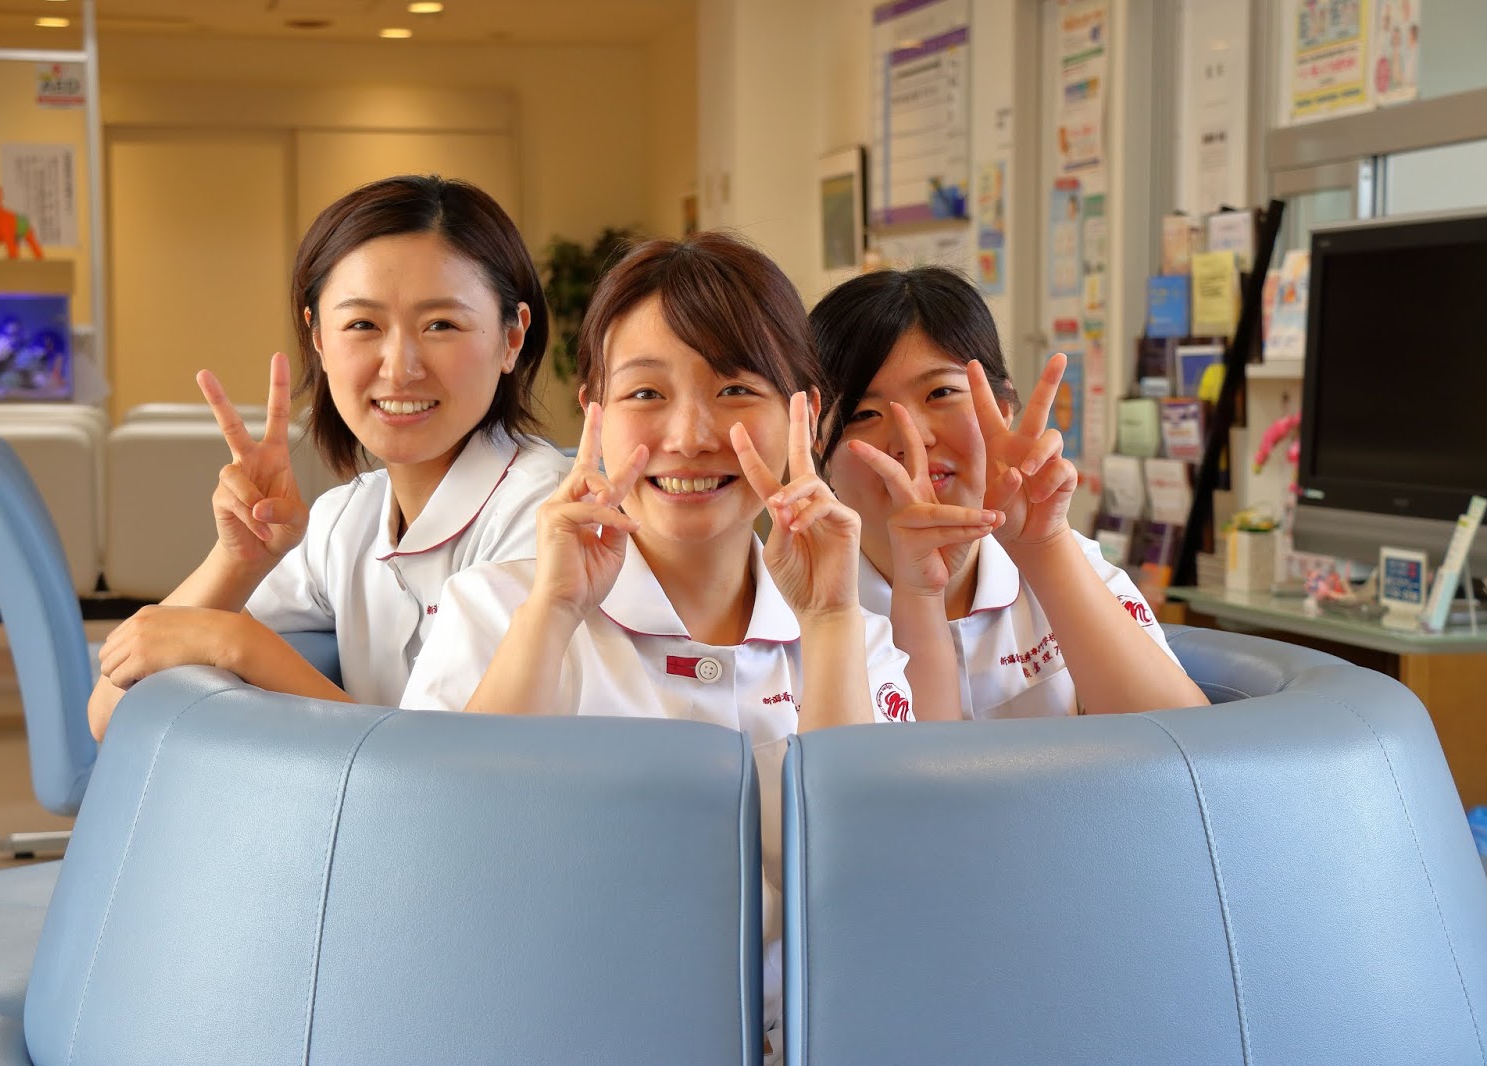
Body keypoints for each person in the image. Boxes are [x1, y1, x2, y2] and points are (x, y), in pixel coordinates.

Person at [400, 232, 912, 1062]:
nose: (689, 433)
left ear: (805, 415)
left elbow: (866, 895)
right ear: (593, 416)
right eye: (646, 392)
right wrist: (554, 610)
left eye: (736, 388)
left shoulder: (859, 637)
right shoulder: (494, 609)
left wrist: (827, 622)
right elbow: (450, 861)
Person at [90, 175, 571, 739]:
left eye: (441, 325)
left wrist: (242, 645)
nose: (400, 367)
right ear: (317, 337)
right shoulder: (345, 521)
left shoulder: (550, 519)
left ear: (512, 338)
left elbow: (449, 774)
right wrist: (239, 560)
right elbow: (111, 712)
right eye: (363, 324)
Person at [812, 266, 1208, 721]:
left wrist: (1044, 546)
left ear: (1001, 409)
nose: (912, 438)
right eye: (863, 414)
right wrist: (919, 598)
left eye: (941, 392)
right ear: (817, 443)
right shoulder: (805, 609)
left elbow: (1184, 743)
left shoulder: (1071, 561)